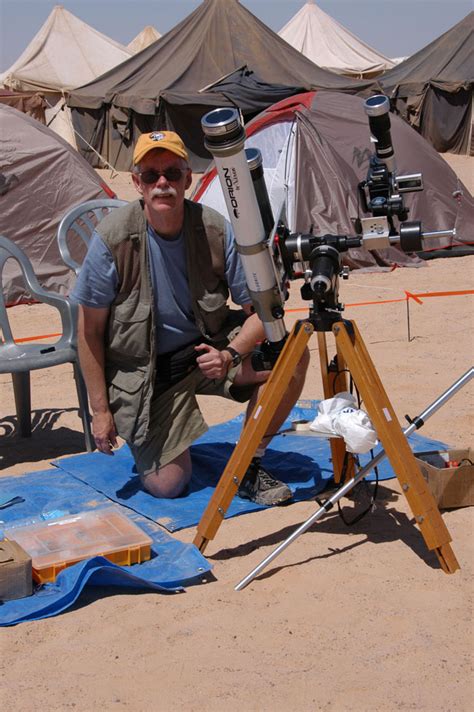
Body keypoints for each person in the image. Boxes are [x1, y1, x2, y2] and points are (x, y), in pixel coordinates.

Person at [72, 130, 309, 505]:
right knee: (168, 486)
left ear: (188, 179)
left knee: (292, 351)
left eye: (171, 173)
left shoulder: (214, 229)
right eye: (151, 175)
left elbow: (261, 314)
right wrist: (99, 411)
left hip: (210, 352)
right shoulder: (113, 240)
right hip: (148, 376)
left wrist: (230, 354)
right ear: (137, 183)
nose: (162, 183)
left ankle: (249, 461)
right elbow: (88, 333)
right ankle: (167, 438)